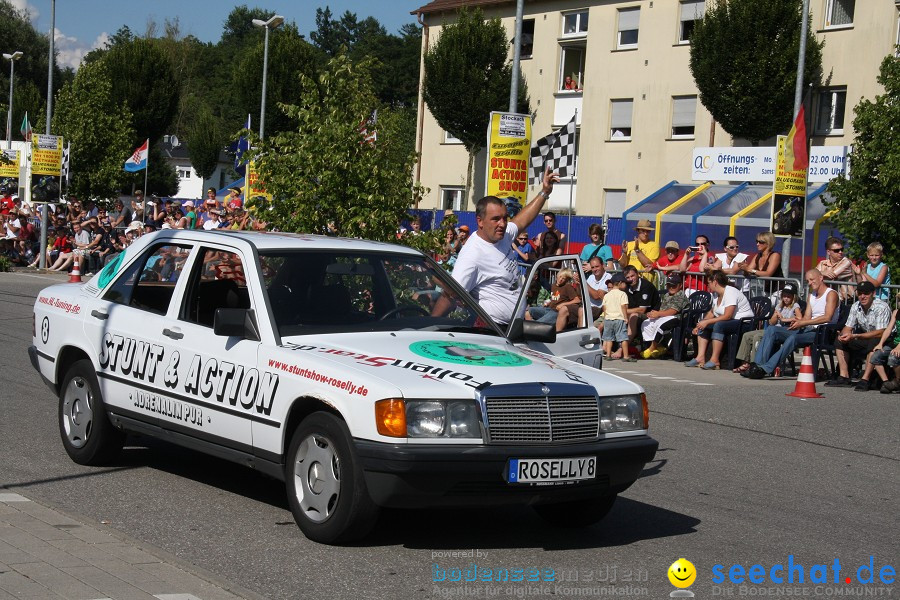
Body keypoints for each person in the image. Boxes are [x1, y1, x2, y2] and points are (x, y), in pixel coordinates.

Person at [432, 168, 559, 328]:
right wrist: (430, 326)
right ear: (480, 221)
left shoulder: (503, 235)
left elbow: (521, 221)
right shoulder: (472, 254)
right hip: (493, 330)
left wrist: (544, 192)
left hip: (514, 327)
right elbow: (450, 295)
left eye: (505, 218)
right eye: (496, 219)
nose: (502, 223)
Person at [746, 269, 839, 380]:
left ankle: (766, 368)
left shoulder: (831, 294)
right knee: (772, 329)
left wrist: (803, 322)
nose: (809, 283)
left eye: (812, 279)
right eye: (807, 280)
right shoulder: (811, 295)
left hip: (823, 332)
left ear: (821, 278)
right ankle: (757, 366)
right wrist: (798, 322)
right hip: (808, 328)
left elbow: (827, 317)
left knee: (793, 337)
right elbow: (807, 317)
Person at [824, 280, 891, 390]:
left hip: (884, 339)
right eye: (860, 294)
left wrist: (855, 336)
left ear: (873, 294)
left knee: (874, 343)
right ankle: (844, 376)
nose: (862, 296)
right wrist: (844, 335)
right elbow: (848, 326)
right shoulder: (855, 306)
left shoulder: (881, 307)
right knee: (839, 340)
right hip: (865, 336)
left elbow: (881, 332)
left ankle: (865, 379)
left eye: (866, 294)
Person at [684, 270, 754, 369]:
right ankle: (700, 357)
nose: (707, 285)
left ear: (715, 282)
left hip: (744, 322)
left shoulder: (730, 292)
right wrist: (701, 323)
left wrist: (707, 322)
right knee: (704, 325)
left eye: (709, 282)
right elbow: (712, 312)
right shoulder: (717, 294)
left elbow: (727, 316)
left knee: (719, 325)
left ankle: (715, 360)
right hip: (731, 322)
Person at [733, 282, 801, 374]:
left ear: (793, 297)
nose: (786, 298)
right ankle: (745, 363)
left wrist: (785, 319)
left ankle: (755, 364)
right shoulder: (779, 306)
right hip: (773, 329)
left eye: (788, 296)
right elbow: (771, 323)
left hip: (784, 330)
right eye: (784, 296)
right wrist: (775, 316)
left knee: (757, 337)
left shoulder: (795, 306)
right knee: (747, 335)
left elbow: (799, 318)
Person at [640, 273, 689, 359]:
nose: (671, 287)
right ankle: (659, 347)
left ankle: (652, 348)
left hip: (677, 318)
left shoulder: (680, 295)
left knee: (662, 326)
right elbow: (663, 310)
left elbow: (673, 311)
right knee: (646, 323)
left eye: (673, 286)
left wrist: (658, 314)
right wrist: (653, 314)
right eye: (669, 285)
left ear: (680, 285)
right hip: (665, 316)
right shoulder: (667, 295)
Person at [623, 264, 661, 349]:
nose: (631, 279)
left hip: (651, 314)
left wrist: (623, 310)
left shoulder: (646, 286)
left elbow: (642, 310)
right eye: (628, 277)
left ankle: (622, 348)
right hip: (632, 312)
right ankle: (609, 347)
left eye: (632, 276)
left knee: (633, 316)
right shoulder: (626, 286)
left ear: (637, 274)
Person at [868, 297, 900, 393]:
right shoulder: (896, 312)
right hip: (896, 342)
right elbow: (889, 329)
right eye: (899, 300)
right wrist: (880, 343)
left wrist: (899, 347)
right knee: (875, 357)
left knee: (893, 357)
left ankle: (898, 381)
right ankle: (886, 383)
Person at [737, 231, 783, 296]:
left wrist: (750, 270)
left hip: (778, 291)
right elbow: (748, 271)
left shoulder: (775, 255)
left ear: (768, 243)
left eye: (761, 242)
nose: (757, 244)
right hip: (766, 290)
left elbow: (768, 274)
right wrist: (744, 268)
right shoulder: (758, 256)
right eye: (757, 241)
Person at [601, 273, 631, 361]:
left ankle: (608, 355)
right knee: (623, 338)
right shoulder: (622, 294)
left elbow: (604, 307)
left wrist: (606, 317)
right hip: (619, 318)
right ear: (620, 283)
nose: (625, 285)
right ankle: (626, 356)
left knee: (609, 338)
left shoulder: (607, 295)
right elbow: (623, 306)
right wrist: (626, 317)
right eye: (625, 283)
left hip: (608, 319)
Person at [585, 257, 612, 322]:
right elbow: (581, 294)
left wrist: (584, 283)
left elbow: (596, 296)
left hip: (599, 308)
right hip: (588, 306)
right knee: (565, 309)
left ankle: (582, 331)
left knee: (582, 311)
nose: (595, 269)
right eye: (592, 267)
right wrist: (578, 284)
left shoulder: (609, 278)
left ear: (602, 265)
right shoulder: (591, 277)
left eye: (597, 266)